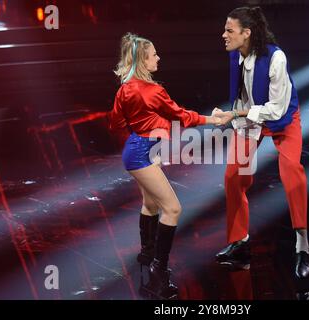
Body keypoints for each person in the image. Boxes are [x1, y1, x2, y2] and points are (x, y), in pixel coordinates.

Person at [108, 33, 221, 299]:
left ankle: (147, 254)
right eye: (154, 54)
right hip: (143, 155)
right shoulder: (153, 91)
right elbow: (182, 116)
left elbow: (114, 124)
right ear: (143, 61)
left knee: (151, 205)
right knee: (172, 208)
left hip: (136, 151)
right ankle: (159, 272)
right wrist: (212, 120)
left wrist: (144, 130)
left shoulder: (124, 89)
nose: (159, 57)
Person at [213, 6, 309, 278]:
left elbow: (276, 110)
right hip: (250, 118)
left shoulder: (276, 58)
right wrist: (231, 117)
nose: (223, 35)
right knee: (234, 175)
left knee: (291, 172)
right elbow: (243, 95)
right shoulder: (236, 55)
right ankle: (240, 242)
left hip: (282, 118)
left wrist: (236, 113)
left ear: (247, 33)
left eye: (229, 30)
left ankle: (302, 246)